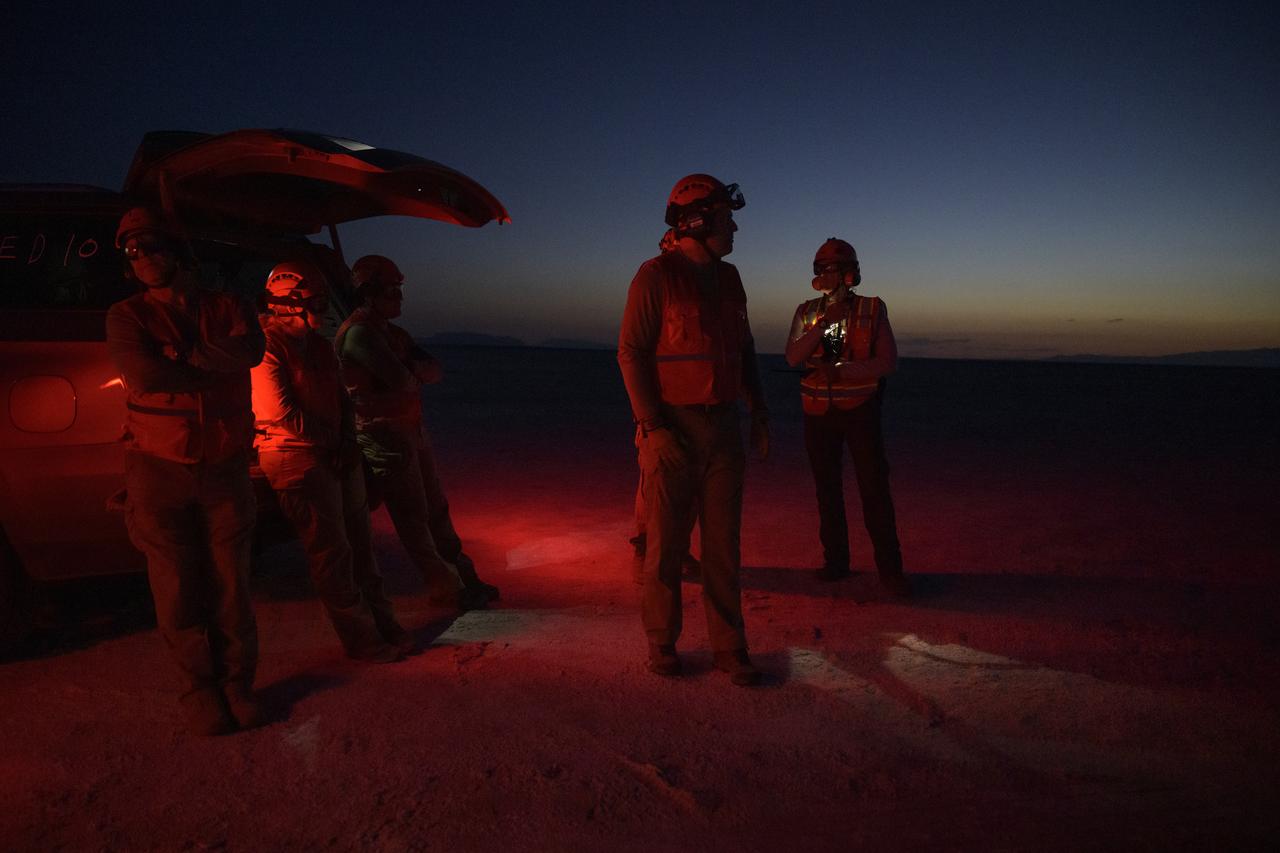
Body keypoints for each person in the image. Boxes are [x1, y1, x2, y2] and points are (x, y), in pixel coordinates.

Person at [105, 207, 266, 735]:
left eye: (151, 245)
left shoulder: (228, 306)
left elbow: (250, 349)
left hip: (224, 468)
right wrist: (206, 365)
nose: (144, 257)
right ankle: (199, 689)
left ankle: (237, 683)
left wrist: (182, 356)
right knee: (175, 586)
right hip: (156, 469)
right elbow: (145, 375)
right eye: (132, 251)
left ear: (176, 249)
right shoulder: (127, 316)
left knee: (231, 583)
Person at [617, 174, 770, 686]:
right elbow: (632, 353)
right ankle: (662, 641)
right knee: (666, 543)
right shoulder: (655, 276)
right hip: (674, 429)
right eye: (727, 219)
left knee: (725, 544)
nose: (735, 229)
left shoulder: (731, 279)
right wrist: (653, 428)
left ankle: (731, 644)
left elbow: (743, 347)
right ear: (697, 221)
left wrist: (759, 409)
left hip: (724, 426)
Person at [250, 261, 413, 664]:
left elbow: (340, 398)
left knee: (361, 542)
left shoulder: (319, 345)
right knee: (332, 553)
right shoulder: (267, 349)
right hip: (294, 458)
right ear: (288, 303)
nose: (322, 310)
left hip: (334, 453)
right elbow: (281, 414)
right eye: (316, 301)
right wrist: (332, 443)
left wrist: (346, 440)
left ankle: (382, 621)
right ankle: (362, 638)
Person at [334, 254, 498, 611]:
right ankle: (446, 586)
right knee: (412, 514)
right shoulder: (360, 333)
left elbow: (431, 371)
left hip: (408, 430)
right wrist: (412, 372)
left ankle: (463, 577)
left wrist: (412, 372)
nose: (400, 297)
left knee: (436, 508)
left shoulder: (391, 333)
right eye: (392, 290)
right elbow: (404, 379)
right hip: (382, 435)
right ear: (370, 292)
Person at [784, 238, 911, 598]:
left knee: (874, 489)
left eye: (831, 269)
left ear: (850, 273)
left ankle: (890, 571)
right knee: (827, 491)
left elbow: (887, 363)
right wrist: (823, 325)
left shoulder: (872, 309)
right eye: (820, 269)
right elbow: (794, 357)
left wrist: (841, 373)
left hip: (859, 412)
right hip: (817, 414)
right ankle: (836, 562)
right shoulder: (807, 310)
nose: (825, 275)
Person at [629, 228, 700, 585]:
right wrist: (651, 419)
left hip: (682, 408)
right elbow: (634, 353)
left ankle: (671, 549)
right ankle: (650, 551)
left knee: (677, 489)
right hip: (661, 410)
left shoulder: (688, 291)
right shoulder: (655, 285)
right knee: (656, 487)